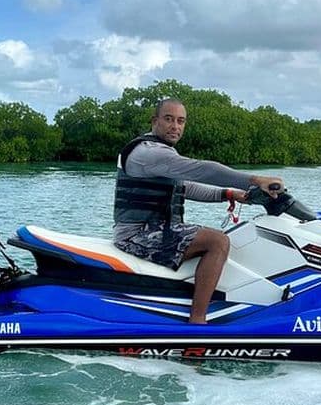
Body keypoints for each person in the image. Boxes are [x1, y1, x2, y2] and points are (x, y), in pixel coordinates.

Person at [113, 98, 284, 324]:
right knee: (217, 241)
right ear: (154, 121)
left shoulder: (161, 153)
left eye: (181, 121)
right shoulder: (149, 153)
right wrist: (255, 180)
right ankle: (198, 321)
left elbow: (184, 188)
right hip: (137, 235)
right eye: (169, 119)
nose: (175, 126)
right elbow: (203, 170)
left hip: (157, 229)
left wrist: (229, 194)